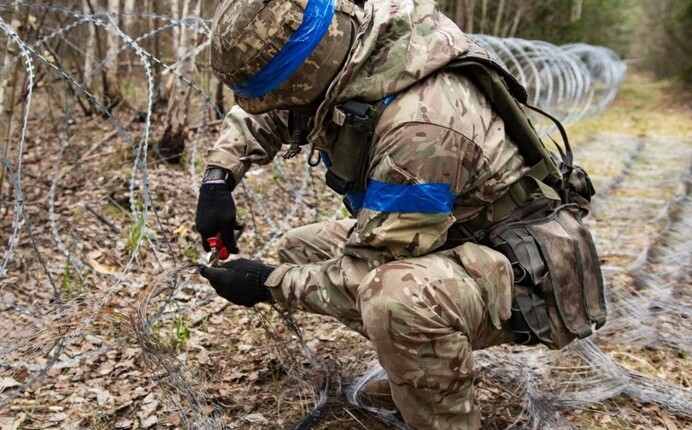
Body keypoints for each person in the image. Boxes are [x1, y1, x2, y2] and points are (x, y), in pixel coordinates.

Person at [195, 0, 603, 428]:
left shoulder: (421, 127)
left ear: (308, 73)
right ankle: (416, 374)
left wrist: (265, 283)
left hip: (525, 270)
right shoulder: (353, 45)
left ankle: (440, 405)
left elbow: (368, 269)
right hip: (452, 235)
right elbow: (279, 111)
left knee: (393, 297)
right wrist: (217, 180)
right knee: (304, 248)